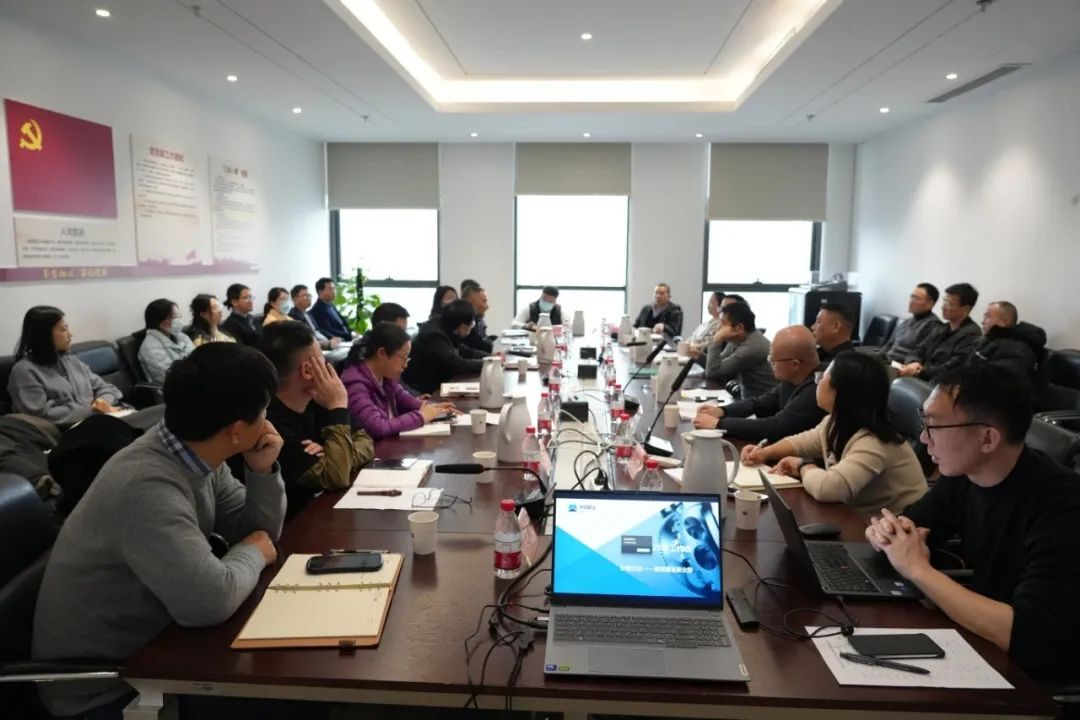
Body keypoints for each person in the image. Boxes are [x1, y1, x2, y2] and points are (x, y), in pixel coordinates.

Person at [31, 342, 286, 718]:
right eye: (264, 410)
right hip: (108, 689)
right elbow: (210, 601)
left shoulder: (196, 450)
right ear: (235, 430)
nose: (267, 420)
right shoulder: (145, 485)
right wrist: (252, 552)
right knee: (283, 697)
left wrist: (261, 471)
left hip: (162, 648)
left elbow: (259, 533)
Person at [866, 364, 1080, 687]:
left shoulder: (1063, 507)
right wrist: (886, 535)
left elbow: (1030, 636)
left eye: (933, 426)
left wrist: (918, 569)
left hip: (1032, 677)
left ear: (987, 438)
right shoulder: (967, 474)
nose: (923, 438)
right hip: (979, 641)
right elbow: (911, 526)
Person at [743, 352, 927, 515]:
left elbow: (828, 489)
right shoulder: (838, 421)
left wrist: (802, 466)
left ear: (840, 392)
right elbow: (802, 442)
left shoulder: (874, 442)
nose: (817, 382)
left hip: (900, 530)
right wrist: (765, 452)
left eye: (822, 377)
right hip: (863, 521)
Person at [259, 322, 374, 520]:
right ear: (308, 370)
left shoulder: (318, 400)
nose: (328, 363)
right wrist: (338, 407)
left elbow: (366, 442)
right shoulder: (271, 424)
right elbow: (338, 476)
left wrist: (333, 454)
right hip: (294, 528)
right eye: (322, 357)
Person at [693, 325, 825, 442]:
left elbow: (777, 427)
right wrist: (722, 411)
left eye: (773, 360)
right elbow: (760, 403)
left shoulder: (816, 388)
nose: (770, 364)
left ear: (795, 364)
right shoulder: (793, 379)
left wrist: (719, 424)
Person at [9, 306, 124, 427]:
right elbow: (41, 415)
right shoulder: (24, 371)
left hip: (101, 420)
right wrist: (91, 411)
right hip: (68, 432)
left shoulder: (72, 361)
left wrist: (104, 402)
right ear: (43, 336)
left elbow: (107, 388)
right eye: (63, 330)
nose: (70, 334)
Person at [341, 322, 458, 439]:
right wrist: (421, 417)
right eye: (404, 358)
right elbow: (378, 427)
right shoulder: (355, 384)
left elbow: (409, 401)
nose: (405, 365)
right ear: (382, 353)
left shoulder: (385, 377)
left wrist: (436, 409)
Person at [897, 283, 981, 382]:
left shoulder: (971, 334)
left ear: (965, 308)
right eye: (944, 301)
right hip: (918, 375)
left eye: (949, 303)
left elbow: (952, 368)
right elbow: (919, 350)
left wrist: (920, 371)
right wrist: (913, 362)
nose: (943, 307)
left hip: (937, 383)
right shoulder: (941, 328)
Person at [402, 300, 486, 394]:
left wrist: (489, 357)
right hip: (423, 390)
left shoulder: (445, 325)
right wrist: (486, 363)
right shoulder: (433, 337)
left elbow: (463, 350)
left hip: (439, 383)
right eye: (472, 323)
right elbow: (456, 364)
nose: (473, 325)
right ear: (462, 326)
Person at [704, 301, 776, 398]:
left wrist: (716, 340)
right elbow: (718, 362)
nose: (718, 328)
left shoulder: (751, 348)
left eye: (723, 324)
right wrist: (698, 356)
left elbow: (713, 372)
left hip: (762, 404)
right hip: (749, 400)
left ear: (739, 328)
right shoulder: (737, 340)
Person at [972, 301, 1045, 384]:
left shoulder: (1017, 349)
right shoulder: (988, 340)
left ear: (1004, 322)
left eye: (988, 317)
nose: (982, 322)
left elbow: (998, 382)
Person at [875, 283, 941, 364]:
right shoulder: (905, 322)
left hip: (902, 366)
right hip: (886, 361)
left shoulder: (933, 326)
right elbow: (888, 345)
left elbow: (920, 355)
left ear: (930, 304)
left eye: (916, 298)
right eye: (912, 297)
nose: (911, 301)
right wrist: (877, 358)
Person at [138, 298, 195, 384]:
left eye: (179, 316)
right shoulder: (149, 348)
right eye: (175, 317)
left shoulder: (180, 335)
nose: (179, 320)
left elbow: (196, 355)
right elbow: (170, 377)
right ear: (161, 321)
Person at [288, 284, 340, 350]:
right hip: (314, 348)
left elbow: (318, 330)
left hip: (324, 344)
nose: (309, 298)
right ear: (295, 299)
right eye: (305, 296)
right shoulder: (293, 316)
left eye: (309, 295)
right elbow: (305, 339)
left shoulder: (309, 314)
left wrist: (332, 337)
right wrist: (327, 344)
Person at [308, 277, 354, 341]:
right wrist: (350, 336)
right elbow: (328, 330)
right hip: (338, 341)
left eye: (334, 288)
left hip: (348, 338)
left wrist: (352, 332)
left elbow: (343, 323)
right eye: (330, 289)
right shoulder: (317, 310)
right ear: (320, 291)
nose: (334, 291)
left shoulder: (331, 305)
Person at [460, 284, 493, 354]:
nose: (487, 306)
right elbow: (480, 346)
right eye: (484, 301)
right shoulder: (464, 324)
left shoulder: (478, 320)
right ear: (471, 304)